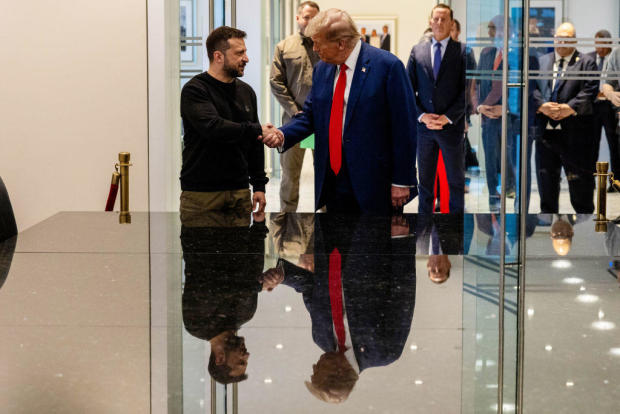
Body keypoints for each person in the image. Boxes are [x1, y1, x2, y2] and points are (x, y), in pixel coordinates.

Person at [261, 9, 418, 214]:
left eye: (318, 43)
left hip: (374, 182)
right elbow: (310, 115)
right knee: (335, 243)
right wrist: (282, 134)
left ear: (341, 43)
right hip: (332, 179)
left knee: (373, 244)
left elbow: (404, 127)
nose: (315, 49)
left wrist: (402, 180)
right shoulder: (322, 69)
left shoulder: (387, 66)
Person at [277, 214, 416, 403]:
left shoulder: (320, 339)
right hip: (371, 242)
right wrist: (400, 241)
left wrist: (283, 276)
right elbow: (403, 295)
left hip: (328, 236)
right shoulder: (384, 352)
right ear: (339, 372)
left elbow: (311, 289)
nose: (314, 366)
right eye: (318, 371)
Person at [179, 26, 273, 220]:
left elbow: (254, 142)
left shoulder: (247, 92)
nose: (246, 58)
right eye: (239, 53)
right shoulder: (195, 90)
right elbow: (213, 127)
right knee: (200, 250)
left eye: (245, 52)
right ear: (218, 56)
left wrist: (259, 186)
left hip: (239, 192)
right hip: (202, 196)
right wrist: (257, 129)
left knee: (241, 250)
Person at [533, 22, 598, 213]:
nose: (561, 42)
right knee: (547, 187)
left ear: (575, 40)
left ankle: (585, 233)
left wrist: (569, 108)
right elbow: (532, 88)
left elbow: (590, 90)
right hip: (545, 135)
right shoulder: (542, 60)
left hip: (575, 136)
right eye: (558, 38)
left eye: (566, 38)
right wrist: (542, 106)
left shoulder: (586, 62)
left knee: (580, 191)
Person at [407, 4, 466, 214]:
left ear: (452, 23)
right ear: (430, 22)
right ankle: (424, 230)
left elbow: (467, 93)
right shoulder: (417, 51)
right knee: (425, 185)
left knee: (456, 183)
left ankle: (456, 231)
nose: (439, 23)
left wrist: (447, 117)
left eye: (444, 19)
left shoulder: (463, 52)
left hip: (451, 128)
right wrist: (422, 116)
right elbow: (408, 90)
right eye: (436, 19)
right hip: (424, 130)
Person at [270, 1, 320, 212]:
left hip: (323, 123)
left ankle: (328, 227)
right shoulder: (284, 46)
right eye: (306, 16)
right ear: (298, 18)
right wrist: (294, 111)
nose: (310, 21)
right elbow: (276, 82)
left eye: (315, 17)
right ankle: (286, 222)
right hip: (294, 122)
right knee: (290, 175)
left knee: (326, 174)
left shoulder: (328, 46)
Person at [476, 15, 517, 211]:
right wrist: (479, 107)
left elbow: (517, 88)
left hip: (508, 115)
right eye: (491, 28)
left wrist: (506, 107)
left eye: (497, 28)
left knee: (508, 155)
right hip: (487, 115)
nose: (494, 33)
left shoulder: (517, 54)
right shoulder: (486, 52)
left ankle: (511, 188)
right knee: (489, 156)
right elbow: (474, 83)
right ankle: (493, 191)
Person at [589, 30, 620, 193]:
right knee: (592, 144)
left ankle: (614, 181)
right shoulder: (591, 57)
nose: (599, 47)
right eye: (597, 43)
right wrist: (608, 92)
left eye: (602, 43)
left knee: (613, 146)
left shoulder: (613, 55)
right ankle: (591, 180)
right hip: (595, 106)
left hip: (610, 109)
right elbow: (607, 83)